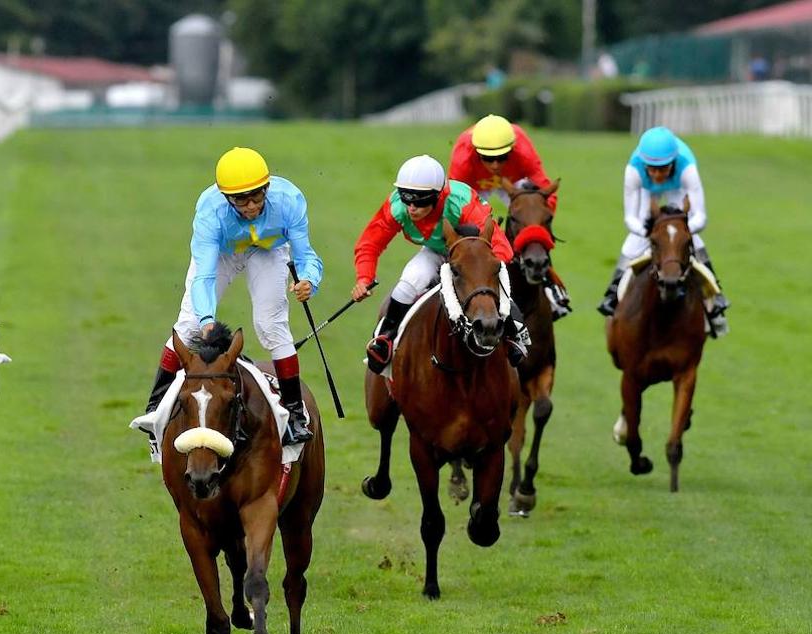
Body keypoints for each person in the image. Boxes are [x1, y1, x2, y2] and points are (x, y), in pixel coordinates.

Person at [139, 147, 322, 447]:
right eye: (241, 200)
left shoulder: (289, 201)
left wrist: (308, 281)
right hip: (222, 253)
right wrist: (208, 319)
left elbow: (305, 255)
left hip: (268, 251)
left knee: (271, 325)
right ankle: (156, 407)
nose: (251, 206)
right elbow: (204, 276)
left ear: (267, 188)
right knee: (190, 325)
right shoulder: (210, 212)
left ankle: (295, 413)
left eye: (257, 196)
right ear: (226, 198)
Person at [352, 154, 528, 373]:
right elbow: (369, 243)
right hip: (436, 251)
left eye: (421, 200)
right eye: (406, 197)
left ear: (438, 196)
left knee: (492, 279)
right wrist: (364, 278)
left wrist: (483, 268)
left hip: (472, 255)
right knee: (409, 282)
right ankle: (385, 338)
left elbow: (501, 247)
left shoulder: (460, 202)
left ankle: (513, 334)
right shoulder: (396, 207)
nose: (412, 207)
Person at [598, 126, 729, 336]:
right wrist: (648, 231)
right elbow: (630, 218)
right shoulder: (634, 171)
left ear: (673, 163)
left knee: (693, 241)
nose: (658, 174)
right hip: (646, 193)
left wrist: (681, 231)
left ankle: (717, 303)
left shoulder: (687, 169)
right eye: (652, 168)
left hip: (677, 190)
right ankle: (612, 296)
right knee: (632, 243)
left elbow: (701, 217)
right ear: (644, 164)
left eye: (663, 168)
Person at [449, 113, 572, 319]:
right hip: (474, 188)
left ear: (512, 150)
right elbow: (454, 204)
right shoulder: (463, 157)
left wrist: (536, 232)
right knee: (471, 233)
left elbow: (545, 196)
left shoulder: (523, 148)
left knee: (531, 214)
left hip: (514, 184)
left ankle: (550, 288)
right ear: (476, 152)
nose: (496, 164)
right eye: (488, 158)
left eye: (503, 157)